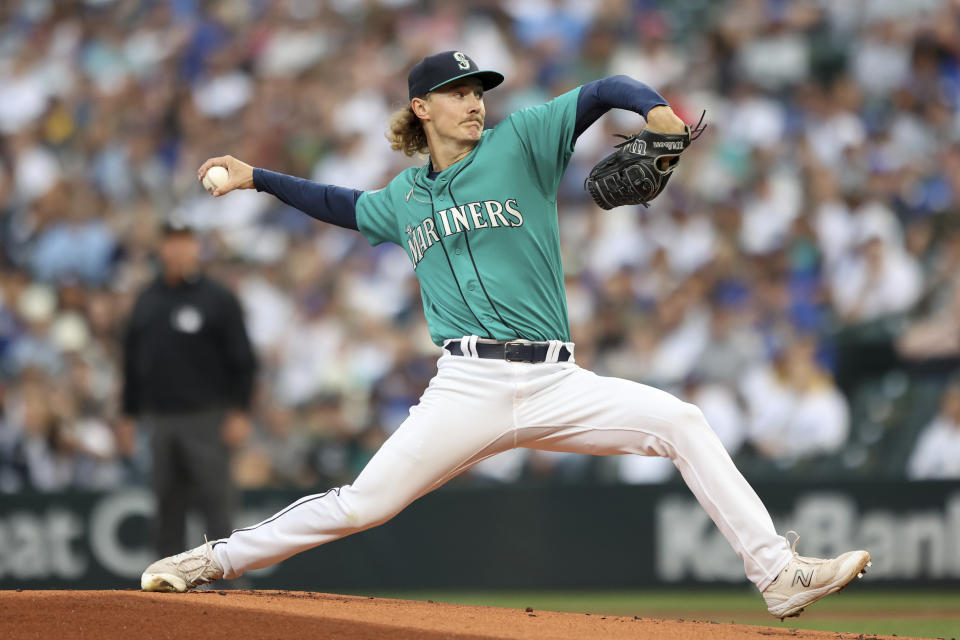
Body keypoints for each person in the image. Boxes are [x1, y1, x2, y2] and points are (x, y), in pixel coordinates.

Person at [141, 52, 870, 619]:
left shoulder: (520, 141)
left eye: (479, 90)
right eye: (458, 92)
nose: (474, 102)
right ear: (421, 108)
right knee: (363, 505)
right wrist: (257, 177)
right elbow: (339, 203)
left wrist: (660, 116)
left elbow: (602, 88)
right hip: (466, 386)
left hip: (557, 380)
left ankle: (776, 574)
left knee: (681, 420)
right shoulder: (402, 199)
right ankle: (210, 560)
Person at [122, 220, 257, 558]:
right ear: (161, 247)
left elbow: (244, 359)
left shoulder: (217, 298)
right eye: (171, 241)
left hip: (206, 419)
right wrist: (127, 414)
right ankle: (166, 587)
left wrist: (240, 411)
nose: (178, 248)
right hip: (160, 419)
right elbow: (132, 362)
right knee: (166, 505)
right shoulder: (147, 300)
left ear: (196, 247)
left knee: (216, 504)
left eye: (185, 241)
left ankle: (229, 582)